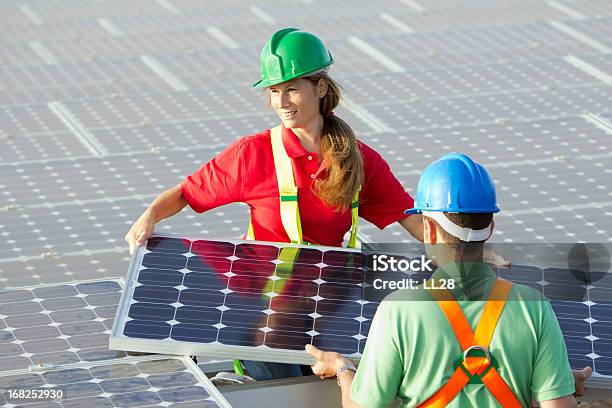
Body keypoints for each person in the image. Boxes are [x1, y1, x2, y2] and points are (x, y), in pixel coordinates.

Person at [125, 28, 424, 380]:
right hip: (264, 317)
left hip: (329, 306)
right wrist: (148, 216)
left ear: (321, 88)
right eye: (274, 90)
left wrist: (468, 250)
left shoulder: (359, 160)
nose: (281, 101)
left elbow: (411, 218)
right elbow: (185, 194)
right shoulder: (252, 155)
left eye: (292, 88)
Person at [306, 153, 592, 407]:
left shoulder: (399, 309)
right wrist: (558, 385)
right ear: (490, 228)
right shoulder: (534, 307)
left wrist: (343, 369)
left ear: (429, 230)